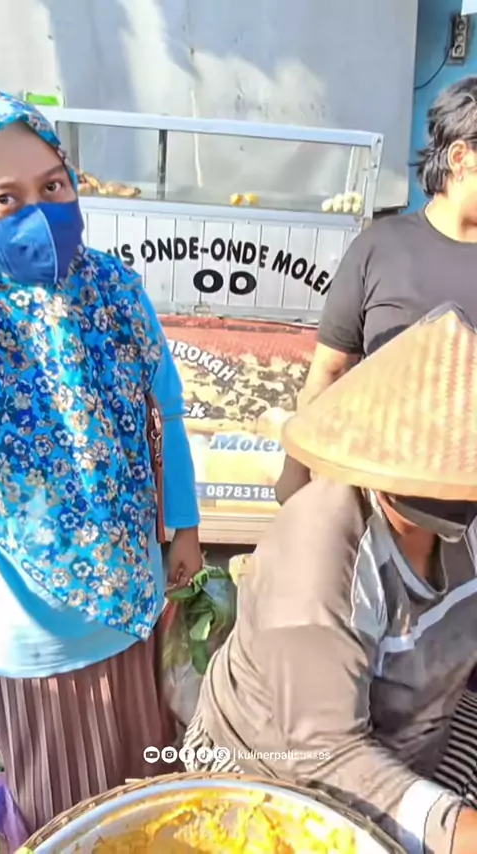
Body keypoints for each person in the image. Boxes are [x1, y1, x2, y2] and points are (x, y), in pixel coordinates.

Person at [183, 304, 477, 854]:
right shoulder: (317, 562)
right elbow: (325, 755)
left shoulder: (463, 524)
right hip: (281, 767)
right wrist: (458, 829)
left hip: (415, 730)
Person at [0, 91, 201, 835]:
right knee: (66, 822)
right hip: (34, 636)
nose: (39, 212)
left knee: (149, 807)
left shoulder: (114, 289)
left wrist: (184, 531)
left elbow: (164, 411)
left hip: (137, 605)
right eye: (5, 198)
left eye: (53, 185)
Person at [276, 74, 477, 505]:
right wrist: (297, 477)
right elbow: (329, 371)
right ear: (461, 157)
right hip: (382, 500)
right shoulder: (380, 248)